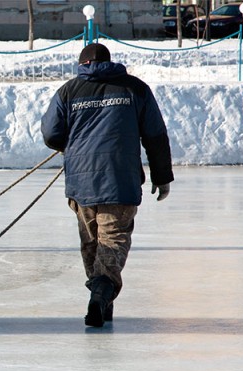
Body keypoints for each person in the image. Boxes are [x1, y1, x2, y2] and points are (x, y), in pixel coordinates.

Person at [40, 43, 174, 327]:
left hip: (81, 181)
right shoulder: (134, 89)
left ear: (83, 63)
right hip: (120, 180)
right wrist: (162, 175)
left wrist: (72, 147)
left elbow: (51, 133)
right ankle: (101, 295)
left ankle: (100, 298)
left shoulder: (69, 90)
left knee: (91, 243)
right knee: (112, 241)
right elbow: (155, 134)